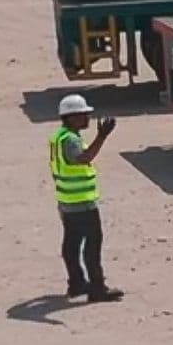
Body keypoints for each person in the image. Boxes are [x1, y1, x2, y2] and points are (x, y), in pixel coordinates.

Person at [50, 95, 121, 302]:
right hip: (81, 203)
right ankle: (97, 289)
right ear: (71, 117)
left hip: (67, 200)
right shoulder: (70, 140)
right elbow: (84, 158)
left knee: (71, 243)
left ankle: (76, 283)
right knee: (92, 244)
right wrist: (102, 137)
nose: (88, 117)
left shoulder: (59, 136)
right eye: (83, 114)